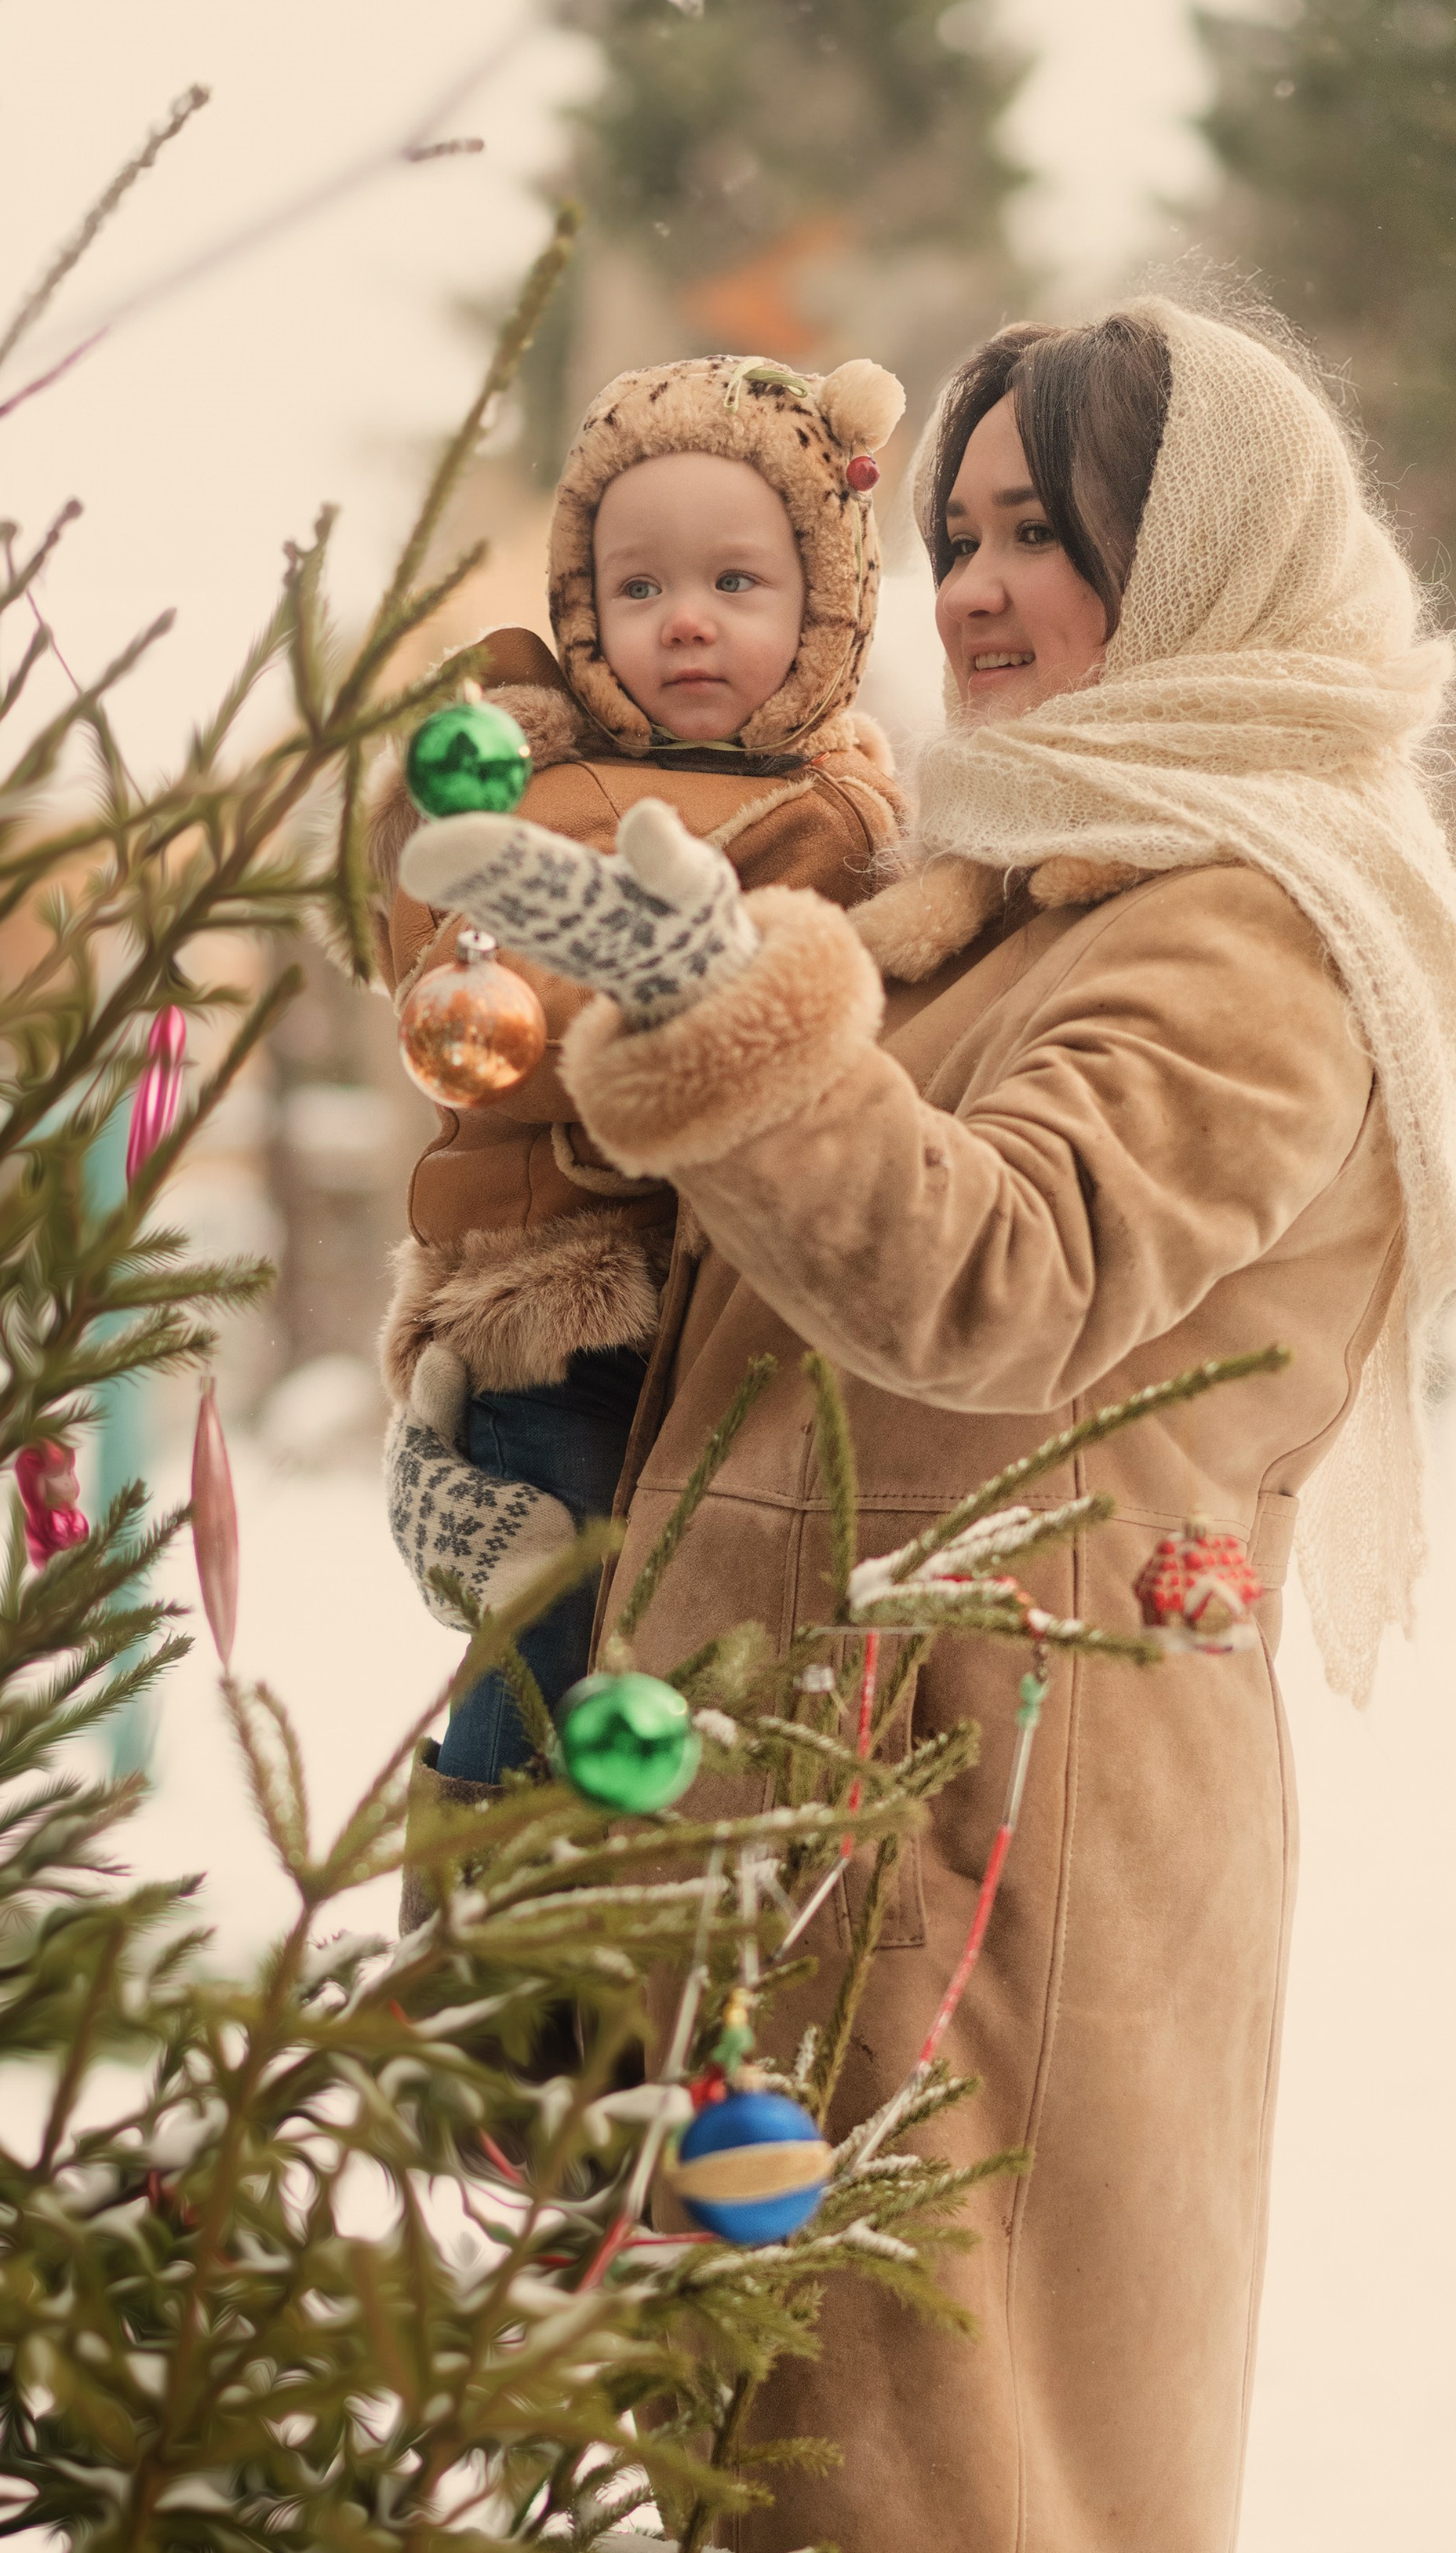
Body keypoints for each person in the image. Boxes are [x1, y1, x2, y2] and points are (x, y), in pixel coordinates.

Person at [397, 295, 1456, 2553]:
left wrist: (718, 1004)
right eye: (968, 527)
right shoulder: (986, 889)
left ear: (1210, 554)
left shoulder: (1248, 930)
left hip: (1019, 1845)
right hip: (774, 1798)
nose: (985, 588)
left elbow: (989, 1275)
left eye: (1055, 531)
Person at [380, 351, 907, 1784]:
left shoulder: (848, 808)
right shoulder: (544, 788)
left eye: (737, 584)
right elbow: (476, 1006)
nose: (686, 623)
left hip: (745, 1319)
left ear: (824, 605)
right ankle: (482, 1930)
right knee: (551, 1653)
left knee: (697, 1686)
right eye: (638, 588)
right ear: (581, 607)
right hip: (567, 1313)